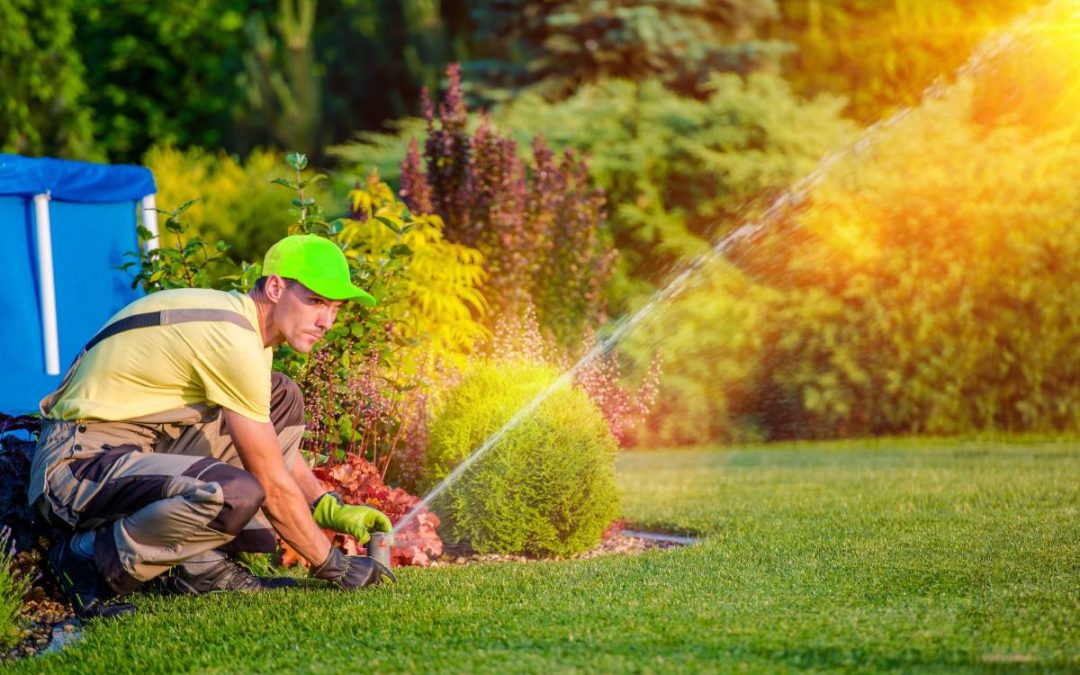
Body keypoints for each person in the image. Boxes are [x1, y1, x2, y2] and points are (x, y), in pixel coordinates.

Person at [29, 234, 395, 620]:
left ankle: (197, 568)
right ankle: (86, 560)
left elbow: (268, 449)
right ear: (275, 287)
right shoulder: (233, 339)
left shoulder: (243, 331)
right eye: (316, 302)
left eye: (335, 308)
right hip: (76, 468)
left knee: (281, 397)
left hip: (132, 452)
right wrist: (333, 565)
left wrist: (325, 506)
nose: (327, 322)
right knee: (233, 495)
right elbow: (268, 481)